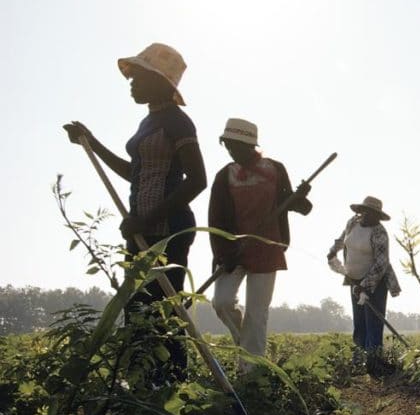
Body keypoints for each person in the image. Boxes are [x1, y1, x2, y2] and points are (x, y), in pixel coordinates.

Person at [63, 43, 206, 383]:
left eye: (138, 76)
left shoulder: (178, 121)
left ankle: (172, 386)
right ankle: (142, 386)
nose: (131, 82)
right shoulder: (149, 121)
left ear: (160, 81)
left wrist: (148, 217)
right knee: (138, 309)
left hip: (168, 230)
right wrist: (91, 142)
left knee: (165, 312)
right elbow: (135, 173)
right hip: (140, 230)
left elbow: (197, 180)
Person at [208, 118, 312, 372]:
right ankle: (244, 344)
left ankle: (251, 375)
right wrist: (223, 253)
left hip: (267, 250)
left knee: (257, 315)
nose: (231, 151)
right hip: (234, 252)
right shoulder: (225, 176)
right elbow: (215, 219)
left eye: (235, 146)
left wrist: (301, 196)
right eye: (228, 146)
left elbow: (295, 205)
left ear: (249, 145)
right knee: (221, 302)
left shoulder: (275, 169)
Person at [327, 196, 401, 375]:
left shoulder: (379, 232)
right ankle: (359, 362)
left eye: (375, 214)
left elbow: (381, 264)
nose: (371, 217)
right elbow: (342, 240)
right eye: (368, 213)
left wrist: (366, 285)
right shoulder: (353, 223)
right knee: (359, 322)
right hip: (354, 280)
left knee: (373, 322)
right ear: (362, 212)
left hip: (376, 282)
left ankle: (374, 362)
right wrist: (332, 252)